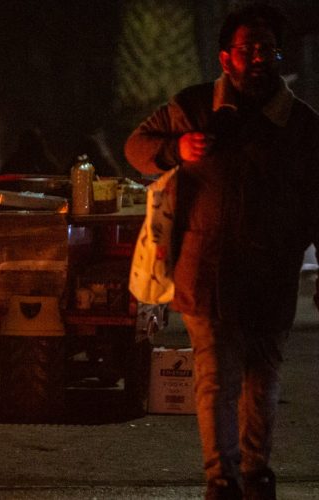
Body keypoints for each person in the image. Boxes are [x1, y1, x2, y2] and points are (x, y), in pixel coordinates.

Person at [124, 4, 319, 499]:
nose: (258, 57)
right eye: (247, 48)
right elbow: (136, 146)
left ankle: (256, 473)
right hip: (205, 271)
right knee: (215, 379)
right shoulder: (192, 107)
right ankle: (222, 479)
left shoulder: (301, 123)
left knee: (262, 379)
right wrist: (177, 150)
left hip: (273, 272)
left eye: (267, 49)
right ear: (224, 57)